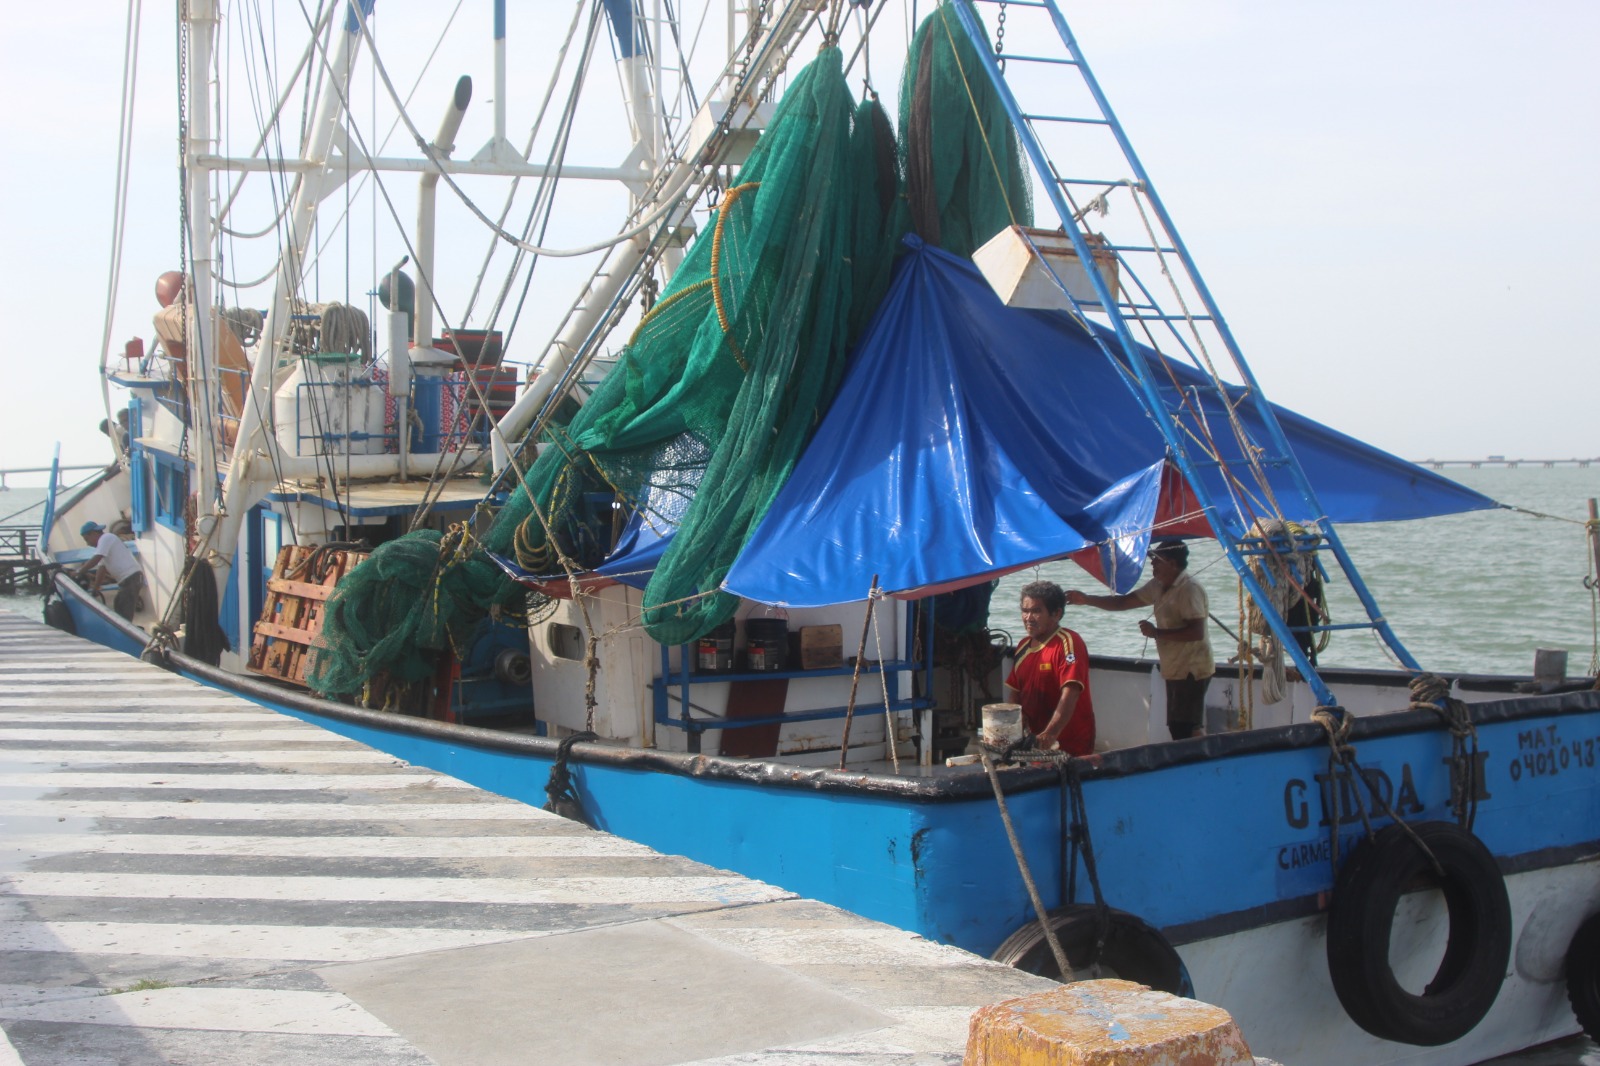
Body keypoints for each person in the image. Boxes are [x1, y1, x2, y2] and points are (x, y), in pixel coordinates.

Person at [1067, 539, 1214, 741]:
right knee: (1178, 725)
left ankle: (1200, 763)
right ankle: (1193, 762)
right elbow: (1123, 602)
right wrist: (1087, 599)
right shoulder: (1158, 585)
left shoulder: (1189, 589)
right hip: (1175, 667)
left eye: (1157, 561)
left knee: (1188, 726)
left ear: (1172, 563)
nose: (1152, 564)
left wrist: (1157, 633)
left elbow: (1196, 632)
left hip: (1193, 668)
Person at [1004, 580, 1095, 755]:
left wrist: (1050, 734)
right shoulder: (1023, 646)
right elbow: (1015, 692)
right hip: (1033, 745)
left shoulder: (1068, 642)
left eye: (1036, 611)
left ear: (1056, 614)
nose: (1028, 618)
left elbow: (1071, 692)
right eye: (1025, 611)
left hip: (1069, 744)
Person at [76, 521, 144, 622]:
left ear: (94, 534)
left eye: (87, 539)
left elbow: (97, 558)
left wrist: (79, 572)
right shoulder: (104, 546)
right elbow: (101, 568)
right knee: (119, 605)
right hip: (128, 580)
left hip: (131, 578)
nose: (88, 544)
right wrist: (96, 588)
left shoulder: (106, 538)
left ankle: (126, 634)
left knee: (123, 615)